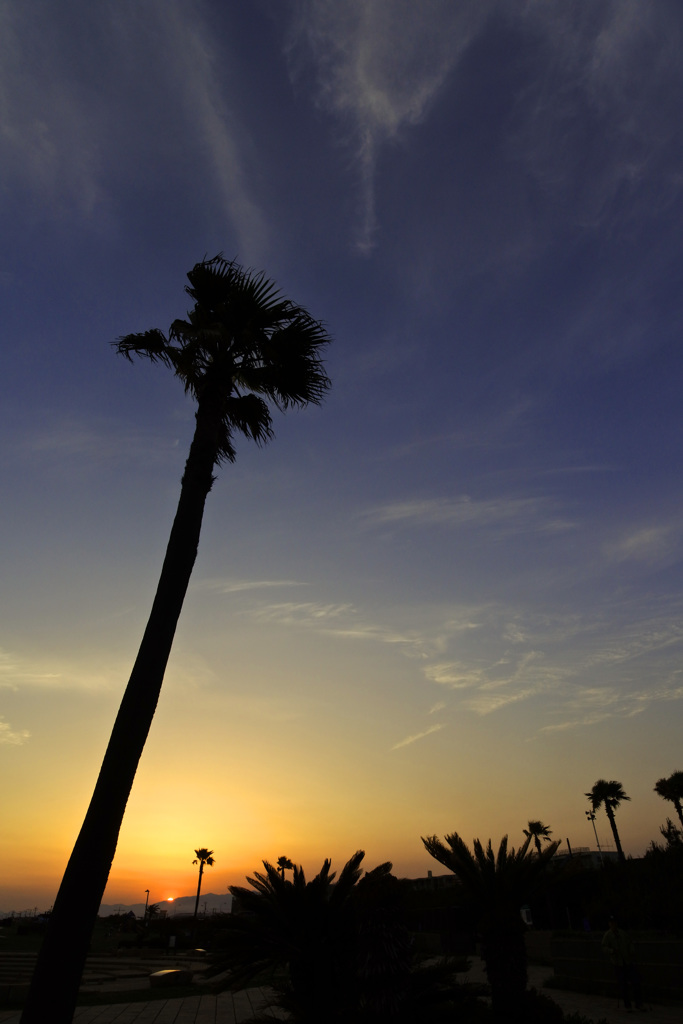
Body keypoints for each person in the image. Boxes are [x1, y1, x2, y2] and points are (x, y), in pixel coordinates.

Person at [601, 916, 644, 1011]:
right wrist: (611, 951)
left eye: (614, 922)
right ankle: (628, 1005)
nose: (613, 924)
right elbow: (603, 947)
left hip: (627, 961)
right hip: (618, 963)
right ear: (609, 924)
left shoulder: (622, 933)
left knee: (636, 982)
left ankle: (639, 1003)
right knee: (623, 985)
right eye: (611, 923)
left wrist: (631, 950)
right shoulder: (607, 935)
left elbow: (630, 942)